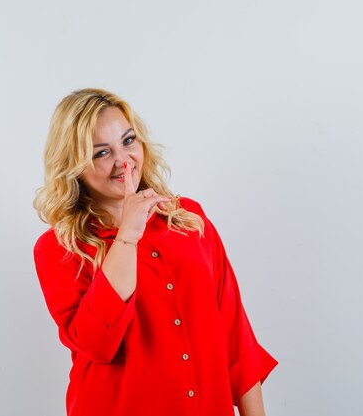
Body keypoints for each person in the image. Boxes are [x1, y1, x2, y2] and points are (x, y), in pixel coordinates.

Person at [32, 88, 278, 416]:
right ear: (74, 165)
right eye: (101, 153)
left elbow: (235, 337)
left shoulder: (189, 220)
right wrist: (127, 235)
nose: (122, 160)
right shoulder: (58, 249)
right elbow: (97, 344)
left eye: (128, 141)